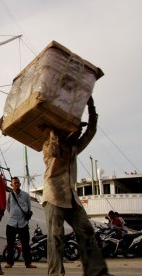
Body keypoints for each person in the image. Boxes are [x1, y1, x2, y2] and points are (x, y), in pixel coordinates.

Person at [40, 96, 110, 276]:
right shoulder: (49, 144)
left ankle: (95, 271)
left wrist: (91, 107)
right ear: (67, 130)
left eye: (79, 130)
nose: (79, 132)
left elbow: (91, 132)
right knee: (55, 238)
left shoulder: (74, 148)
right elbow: (54, 151)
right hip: (54, 197)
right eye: (76, 129)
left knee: (86, 230)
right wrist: (54, 131)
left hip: (71, 198)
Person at [4, 177, 37, 269]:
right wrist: (13, 215)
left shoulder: (26, 195)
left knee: (25, 244)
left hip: (23, 223)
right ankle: (9, 263)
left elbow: (29, 208)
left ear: (20, 184)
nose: (17, 184)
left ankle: (28, 263)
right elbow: (8, 208)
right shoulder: (10, 195)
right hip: (12, 223)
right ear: (12, 185)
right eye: (15, 183)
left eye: (18, 183)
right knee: (10, 244)